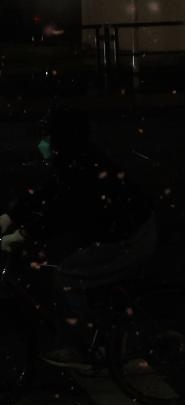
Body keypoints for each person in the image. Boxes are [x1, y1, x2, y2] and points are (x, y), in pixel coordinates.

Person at [1, 103, 157, 368]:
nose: (42, 143)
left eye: (47, 137)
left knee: (67, 277)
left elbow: (61, 210)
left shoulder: (80, 167)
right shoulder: (76, 158)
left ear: (60, 139)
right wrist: (11, 217)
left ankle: (81, 349)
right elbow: (47, 192)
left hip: (130, 238)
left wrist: (22, 234)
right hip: (125, 231)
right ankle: (103, 336)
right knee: (78, 270)